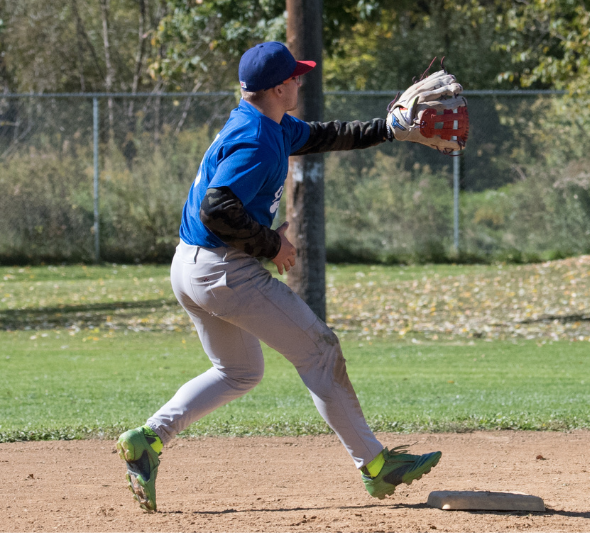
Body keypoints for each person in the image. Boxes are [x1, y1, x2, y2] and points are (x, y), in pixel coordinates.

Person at [115, 41, 441, 513]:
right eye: (296, 76)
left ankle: (147, 439)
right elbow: (217, 207)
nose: (301, 81)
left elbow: (323, 135)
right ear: (278, 87)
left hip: (188, 267)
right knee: (320, 350)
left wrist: (387, 129)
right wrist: (272, 245)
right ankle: (376, 465)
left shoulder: (262, 123)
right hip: (224, 270)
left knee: (240, 371)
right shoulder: (258, 141)